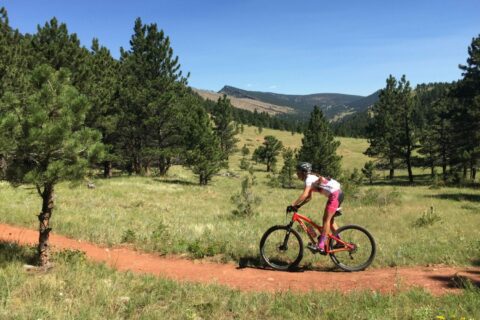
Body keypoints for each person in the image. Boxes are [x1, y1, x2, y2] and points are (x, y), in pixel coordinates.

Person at [286, 162, 344, 254]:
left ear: (304, 172)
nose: (297, 174)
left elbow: (305, 194)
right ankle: (339, 242)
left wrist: (293, 204)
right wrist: (298, 206)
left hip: (335, 195)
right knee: (330, 220)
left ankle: (320, 245)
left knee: (326, 220)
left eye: (298, 172)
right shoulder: (311, 178)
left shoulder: (308, 179)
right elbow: (309, 197)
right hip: (338, 194)